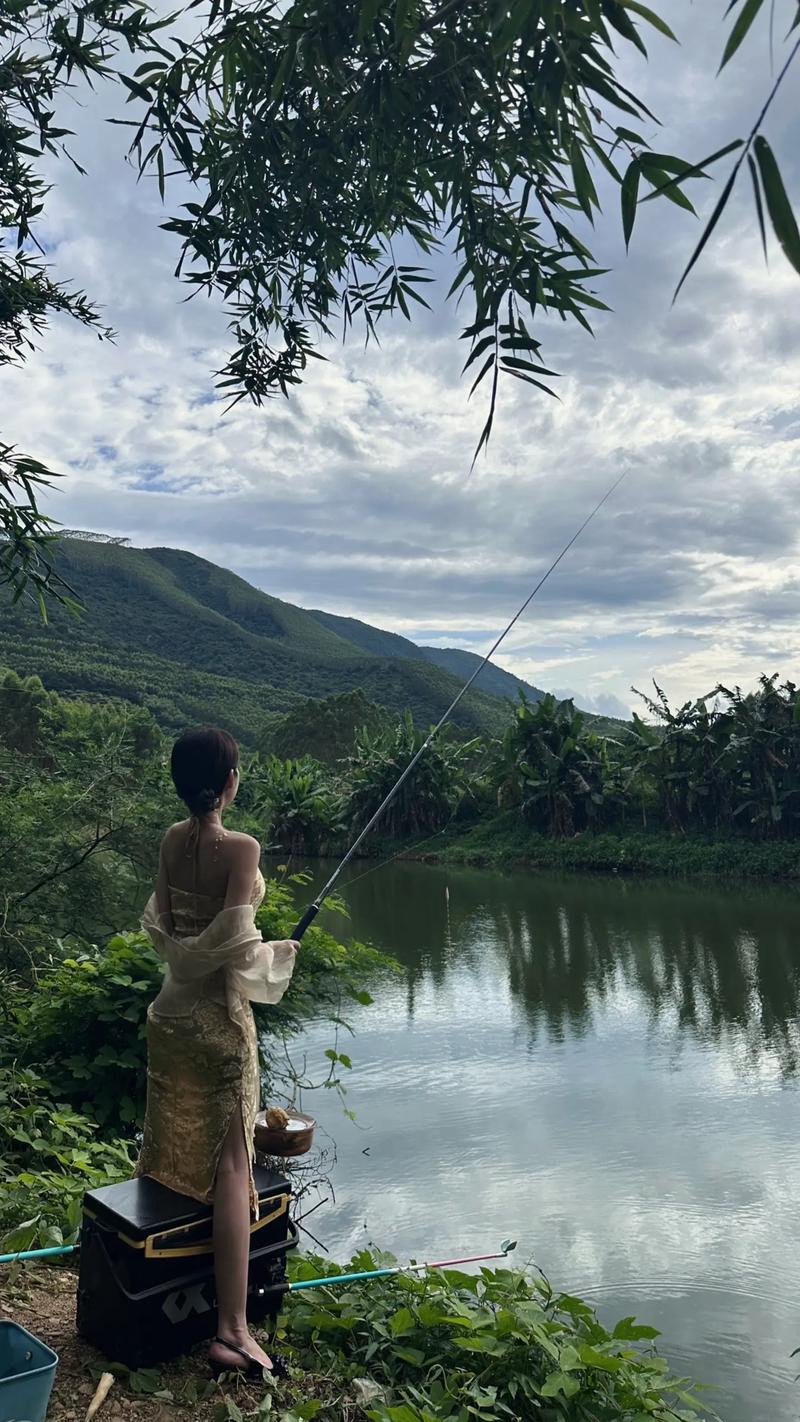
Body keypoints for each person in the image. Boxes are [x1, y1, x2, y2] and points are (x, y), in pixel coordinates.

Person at [135, 727, 299, 1378]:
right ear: (229, 782)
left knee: (171, 1137)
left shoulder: (171, 842)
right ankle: (231, 1330)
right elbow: (233, 945)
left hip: (169, 1014)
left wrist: (253, 951)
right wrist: (278, 955)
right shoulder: (243, 849)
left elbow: (170, 931)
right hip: (216, 1021)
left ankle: (164, 1279)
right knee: (233, 1167)